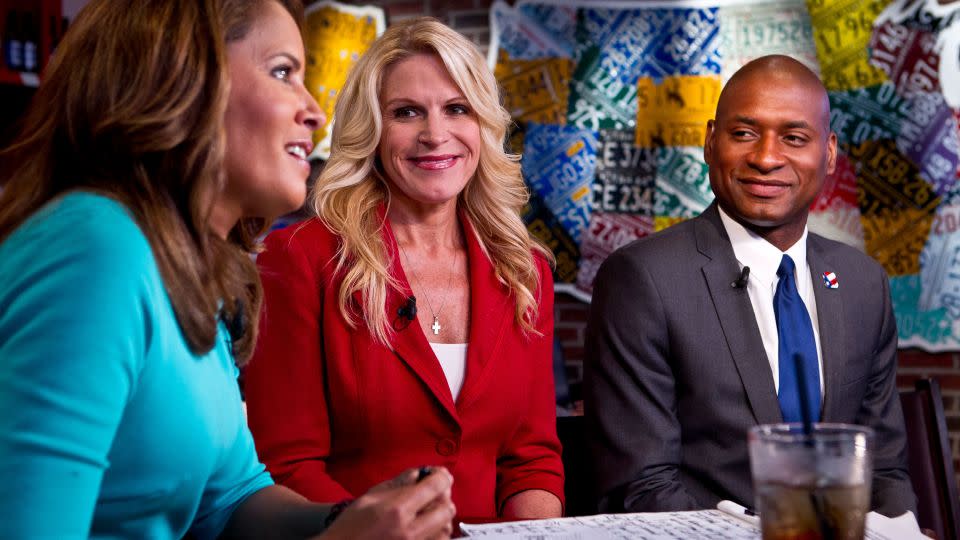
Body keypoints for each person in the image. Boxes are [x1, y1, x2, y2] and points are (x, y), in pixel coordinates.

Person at [0, 1, 455, 538]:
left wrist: (360, 517)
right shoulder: (97, 248)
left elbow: (231, 499)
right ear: (184, 79)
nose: (314, 110)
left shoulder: (189, 266)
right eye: (283, 71)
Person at [243, 17, 564, 520]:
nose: (435, 135)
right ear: (371, 130)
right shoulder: (302, 259)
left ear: (482, 125)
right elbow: (286, 466)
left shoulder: (523, 272)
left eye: (457, 109)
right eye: (407, 112)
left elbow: (531, 461)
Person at [584, 55, 917, 517]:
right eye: (743, 134)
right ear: (709, 141)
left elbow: (883, 470)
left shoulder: (864, 283)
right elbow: (643, 486)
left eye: (795, 138)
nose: (765, 158)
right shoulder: (643, 279)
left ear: (830, 153)